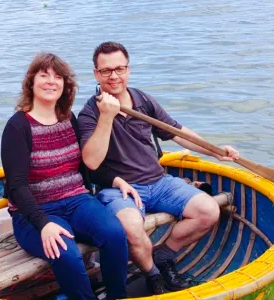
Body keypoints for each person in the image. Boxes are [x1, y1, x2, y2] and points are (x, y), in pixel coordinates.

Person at [77, 42, 240, 294]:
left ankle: (162, 256)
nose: (114, 76)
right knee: (131, 227)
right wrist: (107, 116)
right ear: (96, 74)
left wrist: (215, 150)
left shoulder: (143, 100)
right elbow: (91, 161)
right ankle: (154, 276)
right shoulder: (90, 113)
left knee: (208, 211)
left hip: (159, 182)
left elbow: (177, 132)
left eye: (119, 69)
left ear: (128, 70)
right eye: (106, 71)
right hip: (119, 189)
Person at [1, 53, 128, 300]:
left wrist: (115, 179)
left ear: (65, 85)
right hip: (35, 213)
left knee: (114, 234)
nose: (51, 81)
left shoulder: (69, 118)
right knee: (66, 253)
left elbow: (86, 163)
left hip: (77, 201)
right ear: (31, 83)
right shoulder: (18, 126)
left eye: (58, 77)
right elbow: (16, 186)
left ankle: (117, 296)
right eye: (44, 75)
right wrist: (43, 224)